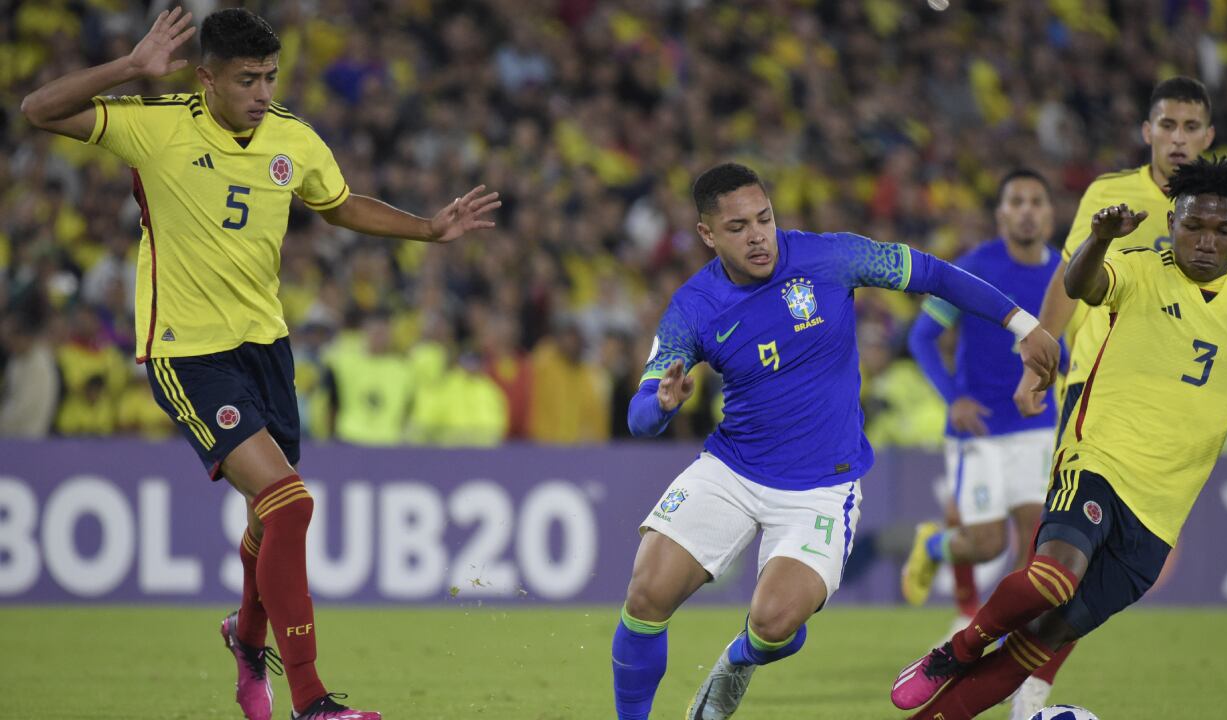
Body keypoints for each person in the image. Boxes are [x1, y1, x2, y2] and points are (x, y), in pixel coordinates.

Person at [19, 7, 500, 720]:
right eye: (247, 79)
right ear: (205, 77)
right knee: (292, 503)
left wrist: (427, 229)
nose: (263, 92)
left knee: (268, 516)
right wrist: (129, 68)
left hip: (265, 348)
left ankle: (246, 641)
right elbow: (36, 109)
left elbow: (338, 206)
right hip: (187, 352)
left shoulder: (293, 140)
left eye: (271, 76)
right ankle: (312, 702)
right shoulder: (155, 126)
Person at [612, 162, 1060, 720]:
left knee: (773, 623)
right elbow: (639, 416)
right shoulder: (694, 307)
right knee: (645, 595)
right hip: (731, 468)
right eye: (737, 227)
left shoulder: (831, 256)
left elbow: (934, 274)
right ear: (707, 235)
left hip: (822, 488)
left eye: (764, 219)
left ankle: (743, 657)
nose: (757, 236)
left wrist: (1024, 325)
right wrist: (659, 404)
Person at [891, 157, 1227, 719]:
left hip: (1161, 513)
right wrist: (1097, 240)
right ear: (1172, 219)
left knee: (1037, 643)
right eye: (1193, 225)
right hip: (1097, 457)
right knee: (1052, 575)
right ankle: (957, 649)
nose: (1205, 242)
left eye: (1222, 231)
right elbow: (1083, 284)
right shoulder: (1139, 266)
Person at [1005, 75, 1227, 713]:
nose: (1178, 138)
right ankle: (1019, 677)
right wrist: (1039, 355)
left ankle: (1022, 671)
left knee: (1101, 565)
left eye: (1191, 128)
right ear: (1147, 131)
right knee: (1063, 545)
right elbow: (1069, 279)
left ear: (1209, 137)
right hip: (1097, 386)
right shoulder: (1109, 195)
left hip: (1179, 406)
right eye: (1168, 125)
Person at [901, 170, 1061, 628]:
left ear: (1050, 214)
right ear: (1001, 214)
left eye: (1036, 201)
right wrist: (953, 398)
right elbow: (922, 337)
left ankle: (987, 627)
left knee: (1038, 543)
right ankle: (933, 544)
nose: (1027, 210)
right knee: (988, 543)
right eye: (1017, 201)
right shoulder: (972, 270)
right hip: (981, 427)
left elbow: (1067, 349)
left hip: (1037, 424)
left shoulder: (1065, 275)